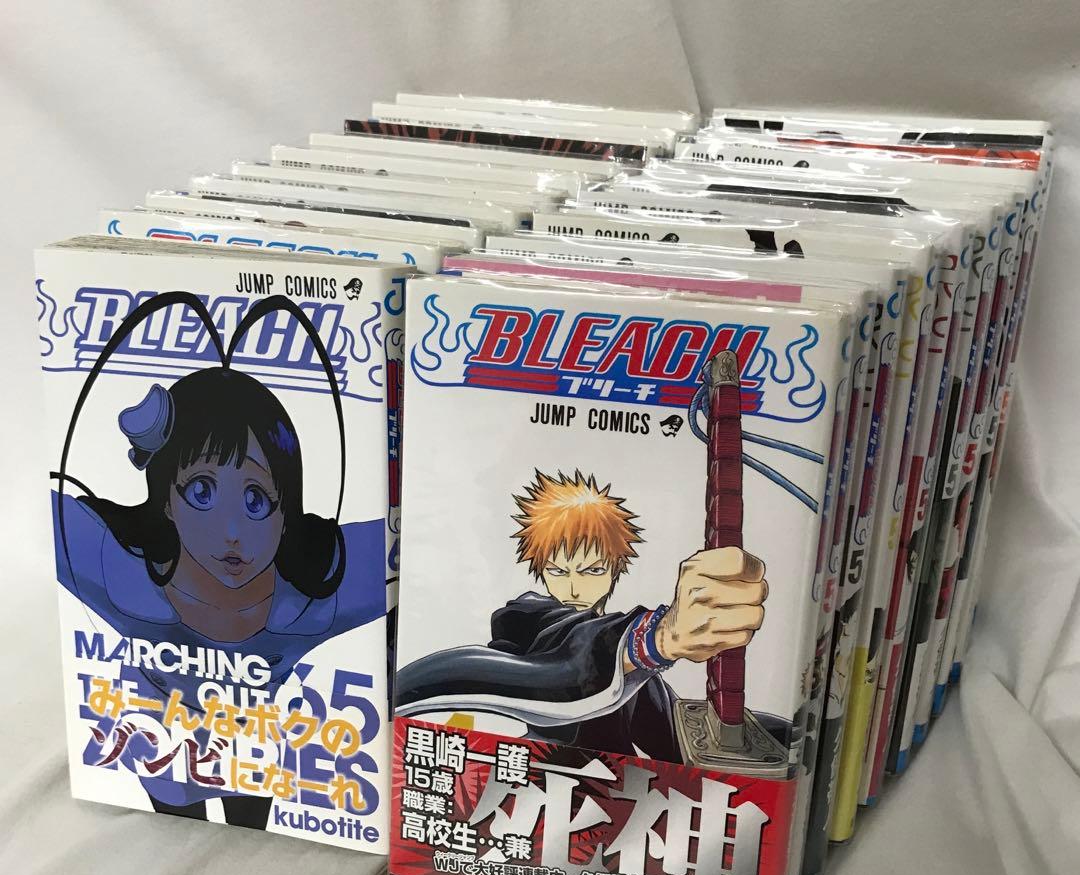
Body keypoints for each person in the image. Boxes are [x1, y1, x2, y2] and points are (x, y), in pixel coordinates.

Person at [55, 301, 384, 828]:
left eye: (256, 499)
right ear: (165, 499)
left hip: (253, 751)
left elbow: (419, 538)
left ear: (286, 512)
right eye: (202, 491)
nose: (232, 531)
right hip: (157, 741)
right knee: (174, 821)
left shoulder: (315, 598)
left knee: (250, 828)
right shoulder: (116, 570)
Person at [395, 469, 767, 763]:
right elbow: (564, 660)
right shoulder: (525, 618)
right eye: (558, 571)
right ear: (541, 571)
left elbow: (674, 740)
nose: (574, 588)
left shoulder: (636, 676)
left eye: (592, 571)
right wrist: (658, 638)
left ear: (616, 569)